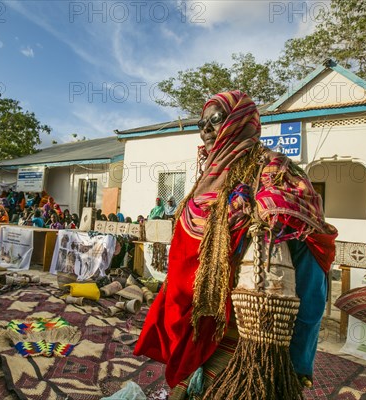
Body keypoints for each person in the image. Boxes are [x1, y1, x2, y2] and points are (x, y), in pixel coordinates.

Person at [133, 91, 337, 398]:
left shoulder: (275, 172)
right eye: (202, 122)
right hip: (194, 322)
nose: (205, 129)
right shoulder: (207, 179)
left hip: (248, 334)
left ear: (240, 121)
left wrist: (297, 357)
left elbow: (310, 259)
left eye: (215, 120)